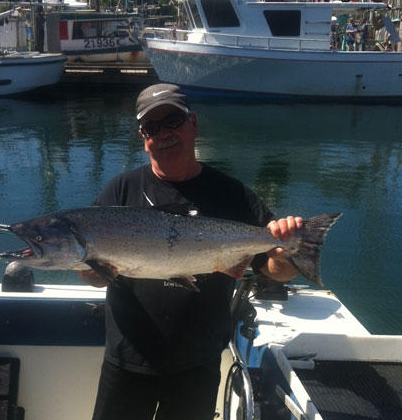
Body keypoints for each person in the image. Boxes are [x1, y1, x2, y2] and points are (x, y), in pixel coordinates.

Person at [79, 83, 302, 420]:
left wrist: (284, 254)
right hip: (127, 361)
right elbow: (93, 279)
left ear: (193, 125)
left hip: (196, 365)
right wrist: (83, 262)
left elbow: (278, 271)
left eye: (172, 121)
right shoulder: (121, 190)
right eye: (152, 128)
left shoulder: (233, 196)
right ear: (143, 138)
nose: (163, 134)